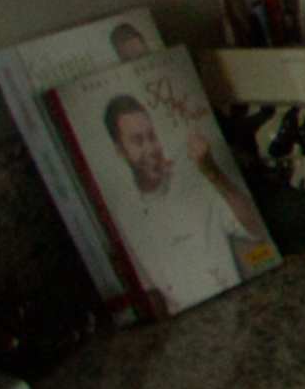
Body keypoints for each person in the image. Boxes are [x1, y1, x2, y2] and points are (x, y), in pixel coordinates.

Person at [104, 92, 272, 278]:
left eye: (152, 137)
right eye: (137, 141)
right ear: (120, 151)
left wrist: (211, 170)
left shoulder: (195, 179)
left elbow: (255, 228)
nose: (150, 149)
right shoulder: (125, 216)